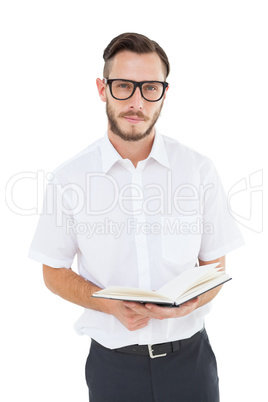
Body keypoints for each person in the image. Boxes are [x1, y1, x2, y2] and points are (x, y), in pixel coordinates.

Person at [29, 32, 243, 401]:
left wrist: (198, 299)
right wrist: (104, 302)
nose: (136, 102)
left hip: (190, 364)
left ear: (164, 92)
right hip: (113, 370)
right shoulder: (69, 179)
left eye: (150, 88)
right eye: (124, 86)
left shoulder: (198, 170)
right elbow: (52, 271)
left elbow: (214, 263)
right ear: (102, 88)